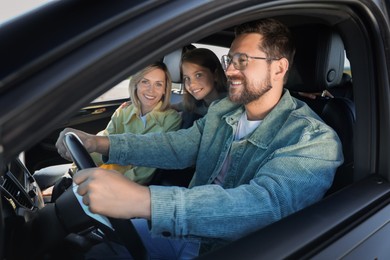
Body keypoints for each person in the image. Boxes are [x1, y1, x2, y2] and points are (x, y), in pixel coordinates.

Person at [56, 18, 343, 258]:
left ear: (279, 68)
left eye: (242, 60)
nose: (229, 70)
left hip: (233, 249)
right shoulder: (224, 111)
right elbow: (177, 146)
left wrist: (146, 201)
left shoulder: (314, 139)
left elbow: (263, 205)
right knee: (96, 252)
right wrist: (99, 143)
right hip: (186, 231)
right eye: (230, 59)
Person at [171, 48, 228, 128]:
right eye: (187, 78)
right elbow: (177, 106)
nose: (191, 84)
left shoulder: (229, 107)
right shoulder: (195, 104)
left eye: (198, 75)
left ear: (215, 75)